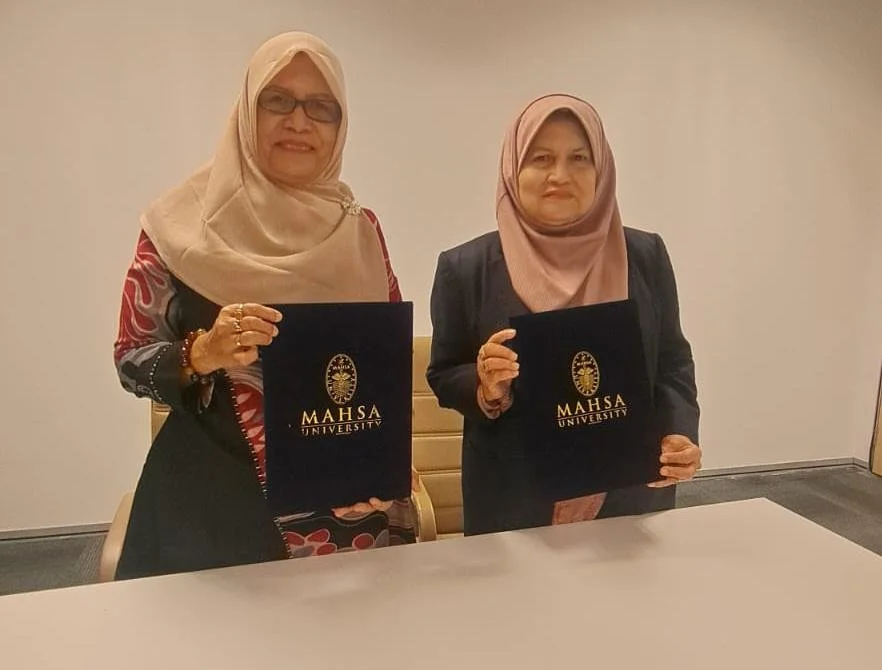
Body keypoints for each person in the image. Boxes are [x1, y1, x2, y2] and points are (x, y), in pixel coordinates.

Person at [113, 32, 414, 579]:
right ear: (247, 110)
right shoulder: (180, 225)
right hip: (214, 516)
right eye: (278, 100)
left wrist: (382, 464)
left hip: (347, 518)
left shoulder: (361, 231)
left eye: (320, 107)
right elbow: (131, 359)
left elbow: (384, 367)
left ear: (340, 126)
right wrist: (203, 352)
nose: (299, 121)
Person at [426, 94, 702, 535]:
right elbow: (443, 373)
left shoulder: (644, 255)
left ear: (602, 168)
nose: (560, 175)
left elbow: (671, 362)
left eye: (579, 158)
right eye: (541, 158)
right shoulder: (465, 268)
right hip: (515, 506)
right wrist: (484, 385)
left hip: (629, 499)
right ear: (513, 168)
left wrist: (678, 432)